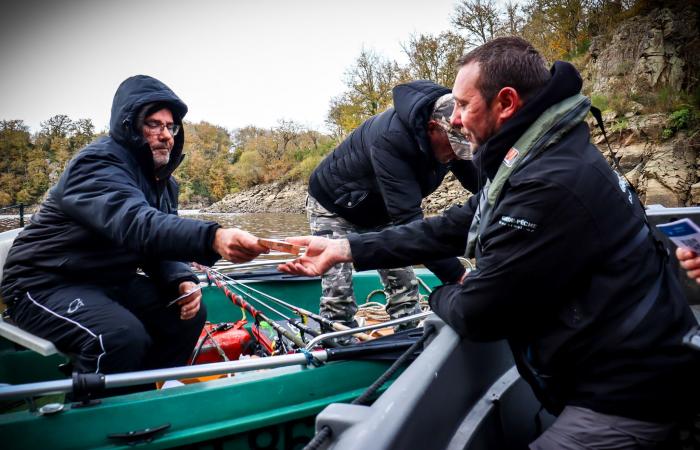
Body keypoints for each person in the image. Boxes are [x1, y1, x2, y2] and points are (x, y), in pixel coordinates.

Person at [280, 37, 699, 448]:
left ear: (506, 103)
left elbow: (479, 313)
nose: (456, 120)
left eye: (463, 105)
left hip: (629, 394)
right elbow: (454, 224)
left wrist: (444, 292)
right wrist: (347, 249)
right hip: (613, 367)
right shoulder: (537, 153)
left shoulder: (546, 182)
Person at [0, 75, 268, 375]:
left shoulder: (164, 183)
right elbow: (137, 224)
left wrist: (180, 277)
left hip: (107, 279)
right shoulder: (96, 165)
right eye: (153, 124)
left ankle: (149, 395)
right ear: (129, 126)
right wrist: (213, 237)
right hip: (42, 282)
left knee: (187, 312)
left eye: (170, 126)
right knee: (119, 337)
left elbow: (157, 245)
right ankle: (98, 416)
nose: (165, 135)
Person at [306, 80, 478, 329]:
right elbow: (409, 220)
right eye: (454, 148)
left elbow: (481, 184)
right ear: (432, 128)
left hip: (385, 207)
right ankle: (338, 343)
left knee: (405, 284)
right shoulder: (391, 139)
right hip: (335, 206)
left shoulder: (449, 133)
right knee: (338, 291)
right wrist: (456, 275)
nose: (456, 155)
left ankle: (408, 338)